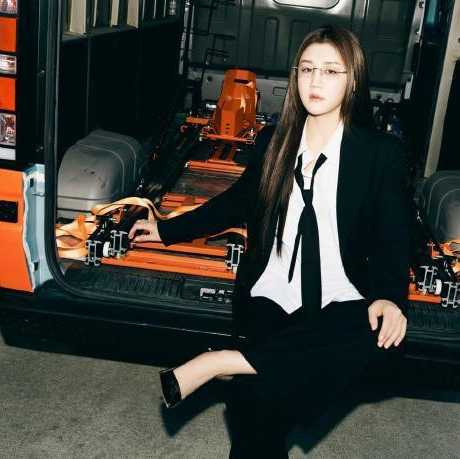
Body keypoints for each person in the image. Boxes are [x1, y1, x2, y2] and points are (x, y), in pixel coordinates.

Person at [128, 25, 410, 458]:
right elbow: (236, 203)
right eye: (307, 69)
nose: (315, 81)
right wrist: (167, 228)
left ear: (353, 81)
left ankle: (220, 361)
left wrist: (389, 295)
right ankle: (237, 370)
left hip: (338, 299)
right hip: (272, 291)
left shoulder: (379, 153)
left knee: (379, 333)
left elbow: (393, 235)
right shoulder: (273, 142)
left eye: (330, 71)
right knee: (256, 413)